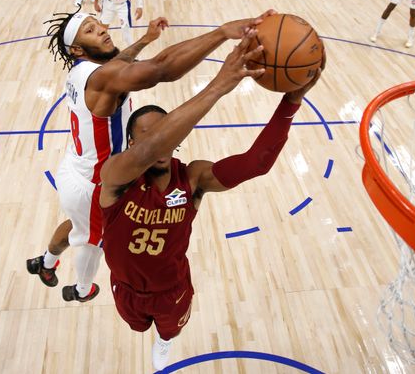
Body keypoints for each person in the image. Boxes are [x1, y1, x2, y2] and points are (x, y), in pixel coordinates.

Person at [98, 37, 325, 371]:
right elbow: (146, 153)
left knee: (167, 333)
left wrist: (291, 102)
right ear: (132, 143)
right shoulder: (116, 175)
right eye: (148, 135)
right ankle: (150, 333)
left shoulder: (193, 178)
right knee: (136, 326)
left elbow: (255, 163)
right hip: (124, 286)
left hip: (171, 289)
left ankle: (163, 341)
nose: (160, 140)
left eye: (167, 132)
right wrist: (219, 86)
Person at [26, 9, 272, 303]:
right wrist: (221, 33)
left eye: (97, 24)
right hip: (95, 184)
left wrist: (143, 40)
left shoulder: (81, 70)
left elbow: (117, 63)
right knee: (93, 243)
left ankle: (46, 261)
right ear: (77, 49)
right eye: (90, 31)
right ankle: (82, 290)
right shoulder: (102, 78)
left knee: (79, 225)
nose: (102, 29)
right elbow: (162, 69)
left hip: (75, 166)